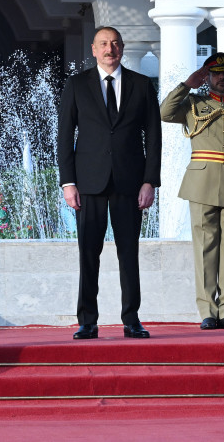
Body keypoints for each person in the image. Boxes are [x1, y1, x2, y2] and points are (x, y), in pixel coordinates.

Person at [58, 26, 162, 340]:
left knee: (128, 253)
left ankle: (132, 319)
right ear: (93, 49)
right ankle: (87, 321)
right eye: (103, 44)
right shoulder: (76, 85)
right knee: (88, 253)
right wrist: (68, 183)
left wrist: (150, 182)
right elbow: (65, 137)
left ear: (122, 47)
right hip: (88, 183)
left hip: (130, 183)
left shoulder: (142, 85)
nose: (109, 49)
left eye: (115, 43)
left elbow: (154, 138)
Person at [160, 52, 224, 330]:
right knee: (205, 248)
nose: (221, 78)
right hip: (202, 182)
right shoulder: (193, 103)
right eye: (216, 74)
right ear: (208, 77)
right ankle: (207, 309)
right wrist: (186, 85)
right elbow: (164, 112)